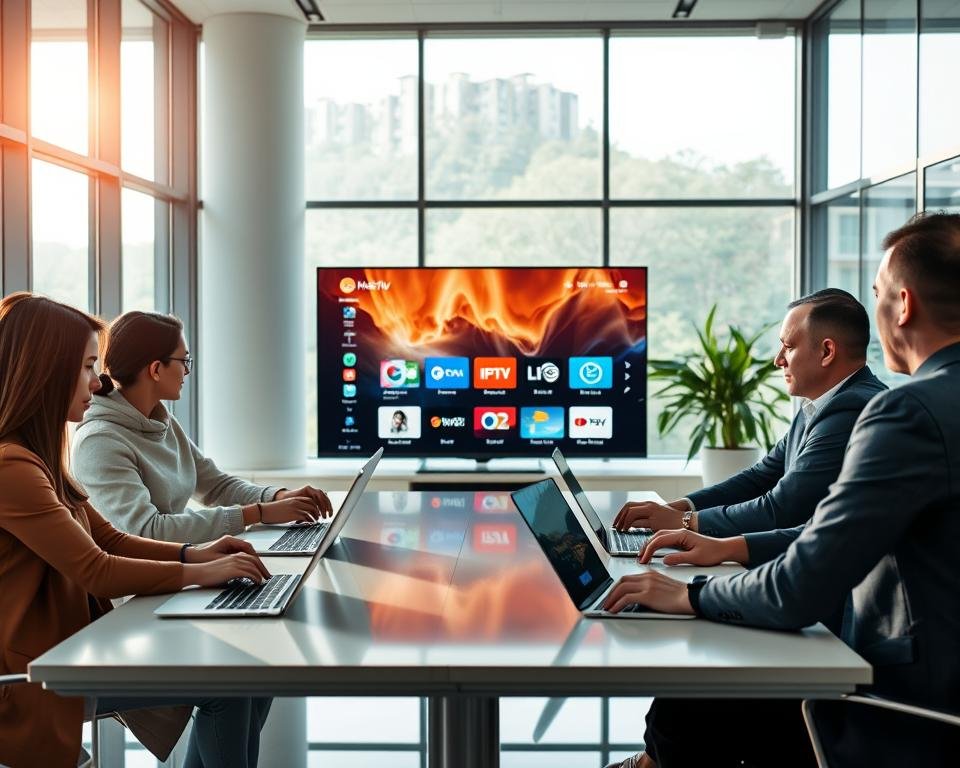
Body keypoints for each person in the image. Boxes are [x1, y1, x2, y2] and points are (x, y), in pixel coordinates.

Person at [604, 212, 960, 768]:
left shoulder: (908, 411)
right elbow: (835, 527)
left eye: (879, 294)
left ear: (905, 305)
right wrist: (722, 542)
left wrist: (690, 594)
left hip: (903, 714)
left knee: (702, 692)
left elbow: (800, 582)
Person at [0, 292, 275, 767]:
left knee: (242, 674)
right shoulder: (12, 467)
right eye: (87, 366)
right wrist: (201, 572)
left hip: (66, 650)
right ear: (47, 371)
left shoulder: (41, 458)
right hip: (32, 675)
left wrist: (196, 555)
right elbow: (98, 570)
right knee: (231, 682)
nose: (99, 379)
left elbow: (109, 538)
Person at [613, 289, 885, 573]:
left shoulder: (851, 410)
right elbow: (761, 477)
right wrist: (679, 507)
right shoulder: (822, 404)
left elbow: (781, 509)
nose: (778, 360)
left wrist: (683, 523)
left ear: (827, 351)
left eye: (788, 347)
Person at [72, 311, 332, 543]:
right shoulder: (99, 443)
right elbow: (147, 531)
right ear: (155, 369)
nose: (187, 371)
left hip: (184, 566)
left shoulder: (162, 421)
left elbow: (216, 486)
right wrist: (258, 513)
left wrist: (278, 496)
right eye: (183, 361)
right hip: (139, 593)